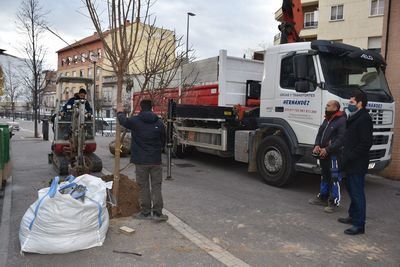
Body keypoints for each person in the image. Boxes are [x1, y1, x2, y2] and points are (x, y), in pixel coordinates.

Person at [116, 100, 168, 221]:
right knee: (156, 186)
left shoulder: (135, 121)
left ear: (140, 108)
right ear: (152, 108)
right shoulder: (159, 123)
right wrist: (156, 150)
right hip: (155, 160)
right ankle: (157, 214)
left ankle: (145, 213)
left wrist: (120, 111)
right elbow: (163, 140)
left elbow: (123, 120)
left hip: (141, 161)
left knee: (143, 186)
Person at [338, 91, 373, 235]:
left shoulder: (364, 118)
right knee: (352, 190)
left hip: (356, 162)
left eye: (352, 102)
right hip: (349, 161)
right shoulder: (354, 117)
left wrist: (350, 156)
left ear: (360, 103)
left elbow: (366, 143)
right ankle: (352, 216)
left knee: (357, 193)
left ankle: (359, 225)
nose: (349, 105)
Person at [309, 100, 346, 213]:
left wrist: (327, 149)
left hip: (334, 155)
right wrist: (317, 145)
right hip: (323, 154)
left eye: (328, 106)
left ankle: (334, 202)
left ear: (335, 108)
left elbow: (341, 140)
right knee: (324, 176)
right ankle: (323, 197)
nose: (326, 107)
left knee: (334, 178)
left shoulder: (341, 121)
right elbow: (320, 133)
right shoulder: (327, 119)